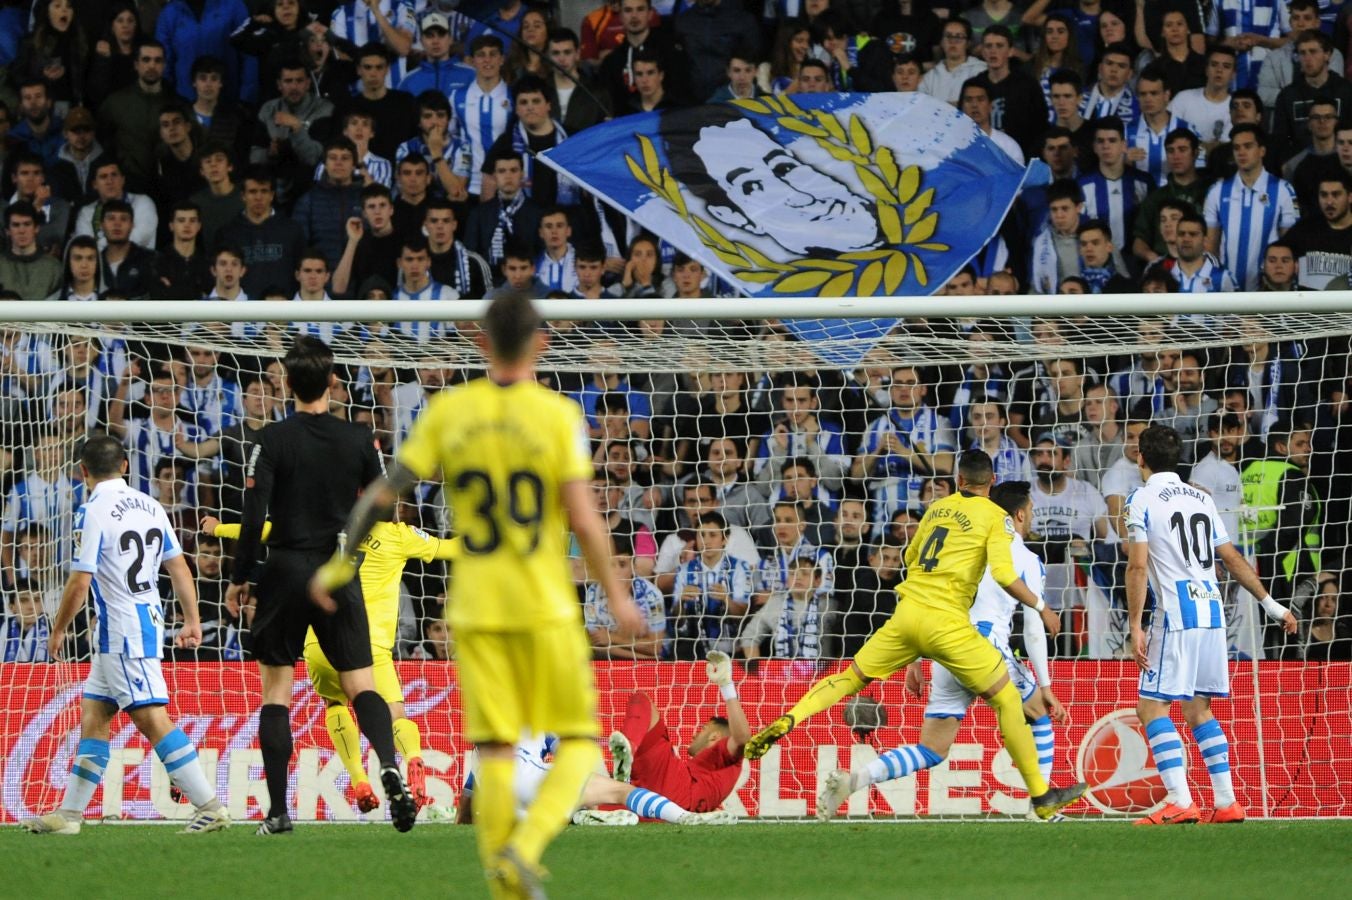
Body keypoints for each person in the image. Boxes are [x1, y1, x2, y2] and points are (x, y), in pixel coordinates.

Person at [311, 293, 643, 895]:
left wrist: (337, 572)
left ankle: (503, 883)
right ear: (541, 343)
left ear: (479, 343)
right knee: (576, 741)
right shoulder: (558, 414)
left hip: (476, 610)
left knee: (491, 757)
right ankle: (529, 842)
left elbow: (382, 495)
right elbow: (586, 519)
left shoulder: (450, 412)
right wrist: (618, 597)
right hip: (542, 604)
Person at [743, 449, 1086, 823]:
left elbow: (910, 557)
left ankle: (791, 720)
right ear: (993, 484)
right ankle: (1042, 797)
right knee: (1012, 702)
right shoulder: (999, 523)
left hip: (908, 619)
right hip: (957, 634)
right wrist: (1042, 607)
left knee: (864, 692)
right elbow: (1004, 575)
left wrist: (916, 656)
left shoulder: (937, 509)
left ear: (957, 481)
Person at [227, 337, 415, 835]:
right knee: (361, 684)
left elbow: (254, 512)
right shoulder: (359, 438)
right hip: (336, 569)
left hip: (285, 569)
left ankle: (278, 812)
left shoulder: (270, 439)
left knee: (277, 692)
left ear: (286, 383)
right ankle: (390, 767)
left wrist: (240, 575)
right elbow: (381, 503)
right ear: (332, 382)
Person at [818, 480, 1066, 820]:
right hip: (985, 651)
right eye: (1032, 511)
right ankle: (1044, 806)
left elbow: (926, 600)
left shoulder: (960, 547)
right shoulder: (1023, 557)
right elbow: (1034, 628)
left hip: (945, 652)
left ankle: (856, 779)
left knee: (932, 749)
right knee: (1039, 712)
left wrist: (916, 660)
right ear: (1020, 514)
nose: (1033, 516)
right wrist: (1048, 686)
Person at [22, 434, 229, 835]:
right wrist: (191, 620)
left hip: (121, 628)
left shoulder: (92, 510)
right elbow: (180, 567)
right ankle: (70, 814)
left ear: (82, 471)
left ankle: (209, 805)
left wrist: (59, 628)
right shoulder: (151, 505)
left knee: (150, 716)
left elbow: (80, 581)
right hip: (140, 622)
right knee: (95, 716)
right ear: (125, 466)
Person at [205, 512, 459, 812]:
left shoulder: (322, 526)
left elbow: (271, 529)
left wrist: (219, 527)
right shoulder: (400, 536)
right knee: (394, 713)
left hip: (321, 640)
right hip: (370, 646)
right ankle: (413, 759)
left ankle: (359, 780)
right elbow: (452, 548)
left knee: (335, 705)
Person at [1126, 424, 1297, 825]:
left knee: (1151, 707)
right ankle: (1226, 803)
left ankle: (1180, 800)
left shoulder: (1141, 498)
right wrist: (1273, 606)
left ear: (1140, 458)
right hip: (1212, 613)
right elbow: (1232, 558)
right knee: (1197, 708)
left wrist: (1136, 624)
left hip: (1177, 614)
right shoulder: (1199, 497)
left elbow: (1137, 565)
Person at [606, 652, 748, 820]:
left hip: (676, 788)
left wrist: (726, 686)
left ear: (715, 737)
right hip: (650, 794)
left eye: (704, 729)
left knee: (642, 701)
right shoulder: (705, 773)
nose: (695, 733)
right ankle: (624, 762)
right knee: (595, 797)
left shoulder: (725, 757)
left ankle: (628, 752)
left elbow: (742, 738)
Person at [1203, 124, 1299, 290]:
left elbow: (1288, 244)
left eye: (1248, 146)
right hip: (1226, 292)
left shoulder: (1283, 190)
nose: (1241, 152)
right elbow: (1211, 245)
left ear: (1262, 151)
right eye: (1236, 148)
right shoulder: (1217, 191)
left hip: (1269, 291)